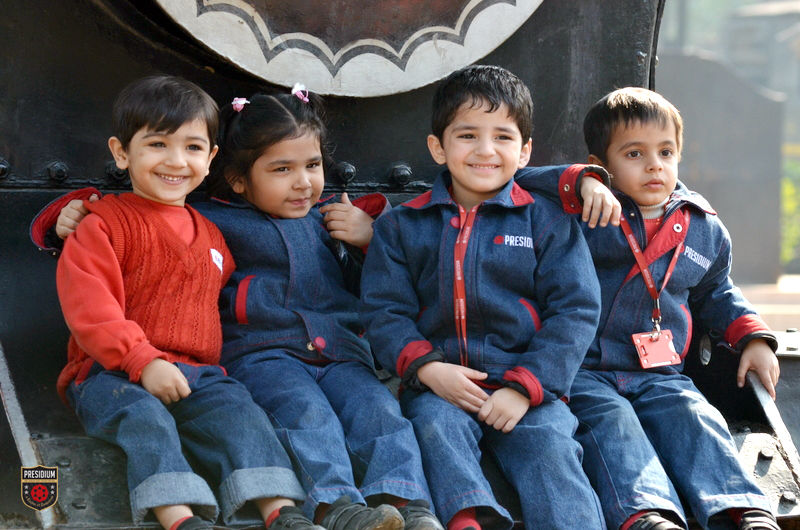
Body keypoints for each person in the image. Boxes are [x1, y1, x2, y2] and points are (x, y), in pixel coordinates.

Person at [41, 85, 442, 530]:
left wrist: (371, 236)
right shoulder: (210, 222)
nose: (302, 182)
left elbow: (401, 274)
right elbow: (120, 259)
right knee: (304, 415)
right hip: (244, 357)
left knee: (376, 411)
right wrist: (62, 221)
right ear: (236, 179)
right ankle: (332, 507)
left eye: (312, 166)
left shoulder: (324, 219)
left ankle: (405, 503)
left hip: (322, 356)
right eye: (282, 169)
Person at [49, 75, 314, 530]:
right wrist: (142, 359)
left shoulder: (212, 235)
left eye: (193, 147)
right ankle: (179, 517)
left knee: (241, 415)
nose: (176, 161)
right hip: (111, 375)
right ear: (121, 153)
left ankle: (279, 510)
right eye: (157, 144)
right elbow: (90, 308)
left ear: (210, 158)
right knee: (145, 419)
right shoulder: (103, 225)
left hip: (197, 375)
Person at [513, 87, 781, 530]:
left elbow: (716, 291)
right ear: (602, 164)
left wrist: (751, 336)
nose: (654, 165)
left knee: (694, 416)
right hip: (585, 370)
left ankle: (742, 509)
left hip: (659, 372)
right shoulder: (585, 211)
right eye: (634, 154)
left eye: (665, 152)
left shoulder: (703, 228)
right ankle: (648, 515)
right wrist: (582, 180)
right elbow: (520, 180)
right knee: (613, 424)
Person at [359, 64, 607, 530]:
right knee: (434, 431)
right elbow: (384, 310)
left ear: (525, 150)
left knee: (550, 449)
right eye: (468, 135)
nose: (486, 150)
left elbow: (575, 310)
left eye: (503, 137)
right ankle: (467, 522)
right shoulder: (401, 225)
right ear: (438, 147)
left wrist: (525, 387)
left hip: (530, 389)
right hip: (441, 385)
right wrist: (428, 370)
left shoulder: (547, 221)